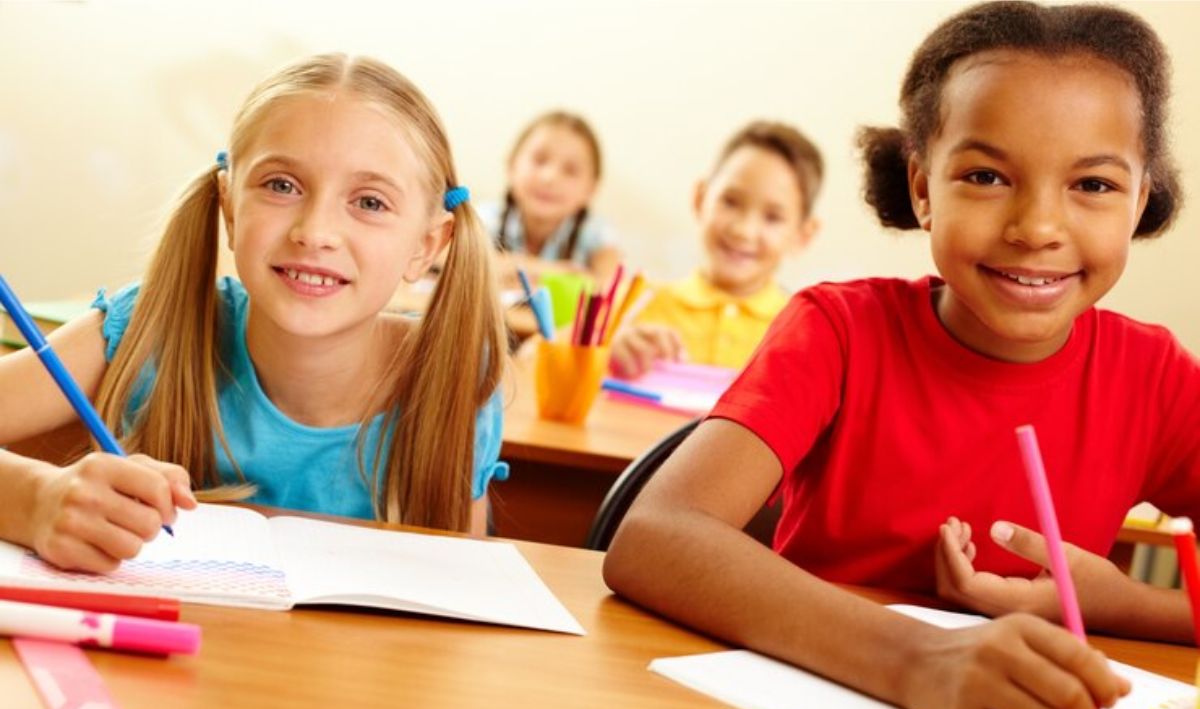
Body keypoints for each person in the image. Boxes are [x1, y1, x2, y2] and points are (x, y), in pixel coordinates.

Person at [604, 1, 1197, 709]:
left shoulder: (1155, 379)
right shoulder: (840, 331)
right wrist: (918, 662)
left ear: (1142, 197)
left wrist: (1115, 602)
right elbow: (654, 538)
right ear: (922, 186)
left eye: (1093, 185)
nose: (1038, 226)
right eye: (986, 176)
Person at [0, 53, 508, 573]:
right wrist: (34, 499)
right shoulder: (147, 329)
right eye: (282, 185)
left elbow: (455, 601)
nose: (315, 231)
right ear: (229, 204)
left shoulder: (458, 378)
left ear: (427, 246)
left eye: (370, 203)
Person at [609, 121, 822, 378]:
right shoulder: (633, 304)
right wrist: (607, 352)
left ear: (803, 235)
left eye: (772, 217)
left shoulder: (805, 335)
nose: (743, 230)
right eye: (730, 202)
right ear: (700, 198)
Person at [479, 111, 622, 285]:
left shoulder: (595, 233)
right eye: (539, 160)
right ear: (511, 165)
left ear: (591, 190)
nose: (549, 177)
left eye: (571, 170)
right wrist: (557, 272)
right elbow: (444, 259)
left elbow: (608, 283)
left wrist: (509, 267)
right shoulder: (484, 220)